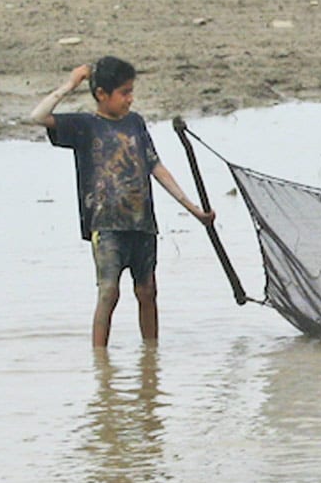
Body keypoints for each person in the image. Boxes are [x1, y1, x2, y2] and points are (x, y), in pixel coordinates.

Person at [28, 57, 214, 347]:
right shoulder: (84, 126)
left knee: (147, 291)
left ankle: (150, 356)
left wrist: (193, 209)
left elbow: (156, 167)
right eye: (124, 92)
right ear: (102, 94)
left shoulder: (135, 123)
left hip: (142, 223)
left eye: (131, 91)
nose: (130, 98)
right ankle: (100, 361)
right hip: (107, 225)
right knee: (109, 292)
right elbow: (38, 116)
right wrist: (71, 83)